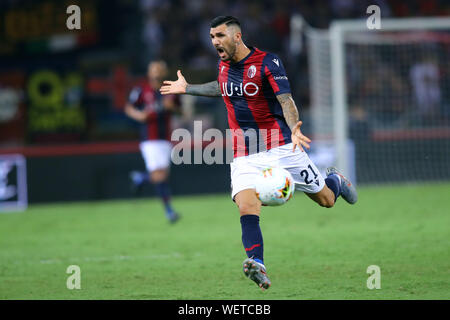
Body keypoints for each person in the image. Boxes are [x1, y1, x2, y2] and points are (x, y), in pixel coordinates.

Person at [160, 16, 357, 290]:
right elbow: (222, 87)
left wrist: (295, 129)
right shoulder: (223, 65)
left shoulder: (268, 62)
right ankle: (257, 263)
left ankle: (336, 182)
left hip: (281, 146)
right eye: (212, 37)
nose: (215, 41)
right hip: (244, 153)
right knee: (246, 205)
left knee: (326, 200)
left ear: (237, 36)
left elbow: (286, 100)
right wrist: (188, 89)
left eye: (219, 36)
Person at [125, 60, 180, 224]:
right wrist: (139, 115)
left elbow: (181, 110)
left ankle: (141, 178)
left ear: (164, 73)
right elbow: (129, 108)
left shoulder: (170, 91)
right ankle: (169, 211)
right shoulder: (141, 90)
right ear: (149, 73)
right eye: (154, 69)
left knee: (161, 176)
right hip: (149, 139)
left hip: (165, 139)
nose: (156, 72)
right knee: (160, 175)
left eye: (160, 69)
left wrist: (173, 108)